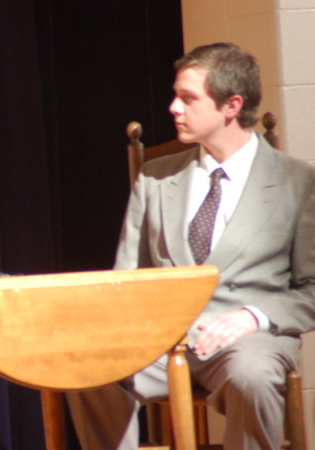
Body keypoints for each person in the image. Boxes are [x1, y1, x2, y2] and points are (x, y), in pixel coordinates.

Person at [66, 42, 315, 449]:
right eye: (175, 96)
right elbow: (126, 279)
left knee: (251, 375)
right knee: (83, 363)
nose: (173, 108)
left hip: (246, 341)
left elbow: (312, 289)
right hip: (162, 340)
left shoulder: (297, 182)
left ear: (232, 105)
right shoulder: (155, 178)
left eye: (188, 98)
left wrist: (254, 316)